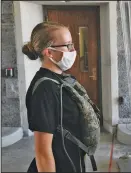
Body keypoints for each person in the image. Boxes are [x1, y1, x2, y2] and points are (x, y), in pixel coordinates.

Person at [23, 22, 85, 172]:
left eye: (72, 44)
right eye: (67, 45)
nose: (73, 50)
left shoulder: (61, 80)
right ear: (48, 52)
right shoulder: (44, 89)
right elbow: (43, 152)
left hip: (71, 162)